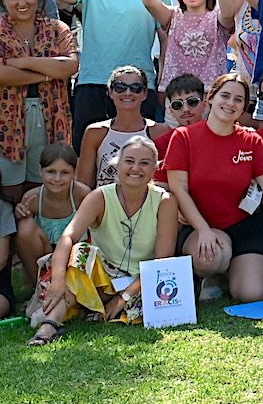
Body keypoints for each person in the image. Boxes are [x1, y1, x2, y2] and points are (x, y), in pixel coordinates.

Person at [26, 135, 179, 344]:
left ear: (155, 168)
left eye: (144, 163)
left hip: (140, 284)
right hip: (100, 280)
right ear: (118, 165)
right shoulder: (100, 196)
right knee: (80, 253)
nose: (136, 168)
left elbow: (162, 261)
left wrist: (123, 297)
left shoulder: (165, 201)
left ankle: (67, 317)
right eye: (129, 161)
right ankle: (50, 326)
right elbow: (68, 236)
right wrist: (58, 280)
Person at [41, 0, 166, 137]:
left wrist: (162, 79)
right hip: (93, 80)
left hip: (139, 84)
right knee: (86, 154)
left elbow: (165, 38)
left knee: (139, 153)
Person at [163, 71, 263, 304]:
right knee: (209, 259)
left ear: (244, 108)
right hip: (201, 226)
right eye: (225, 96)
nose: (230, 103)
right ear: (211, 98)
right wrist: (202, 230)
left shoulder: (251, 140)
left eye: (238, 99)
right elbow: (178, 188)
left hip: (247, 226)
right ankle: (213, 273)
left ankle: (228, 274)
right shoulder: (183, 137)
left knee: (251, 294)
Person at [0, 0, 78, 203]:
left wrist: (24, 62)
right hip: (6, 120)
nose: (22, 2)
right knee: (9, 190)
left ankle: (35, 236)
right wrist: (48, 72)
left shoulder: (57, 29)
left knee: (41, 187)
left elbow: (70, 66)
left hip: (51, 116)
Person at [135, 0, 236, 91]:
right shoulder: (173, 16)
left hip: (210, 94)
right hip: (176, 95)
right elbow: (150, 3)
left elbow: (228, 14)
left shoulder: (217, 18)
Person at [74, 65, 160, 189]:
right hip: (104, 205)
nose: (128, 93)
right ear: (110, 92)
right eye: (120, 88)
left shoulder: (159, 132)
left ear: (145, 93)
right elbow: (84, 185)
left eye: (136, 88)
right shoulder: (95, 132)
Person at [14, 142, 86, 278]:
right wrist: (20, 214)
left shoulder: (81, 194)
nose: (57, 179)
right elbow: (22, 239)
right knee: (24, 226)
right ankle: (39, 283)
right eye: (51, 172)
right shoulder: (33, 198)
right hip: (44, 254)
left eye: (65, 172)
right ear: (40, 170)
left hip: (74, 255)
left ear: (74, 173)